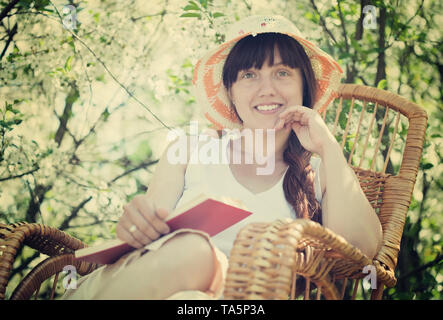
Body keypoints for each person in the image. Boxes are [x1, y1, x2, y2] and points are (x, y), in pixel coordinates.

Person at [62, 15, 382, 300]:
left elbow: (361, 251)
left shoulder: (320, 170)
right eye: (249, 75)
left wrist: (329, 148)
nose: (267, 89)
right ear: (230, 90)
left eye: (282, 73)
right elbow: (146, 238)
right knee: (194, 251)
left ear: (304, 87)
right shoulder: (188, 151)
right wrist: (137, 225)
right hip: (145, 286)